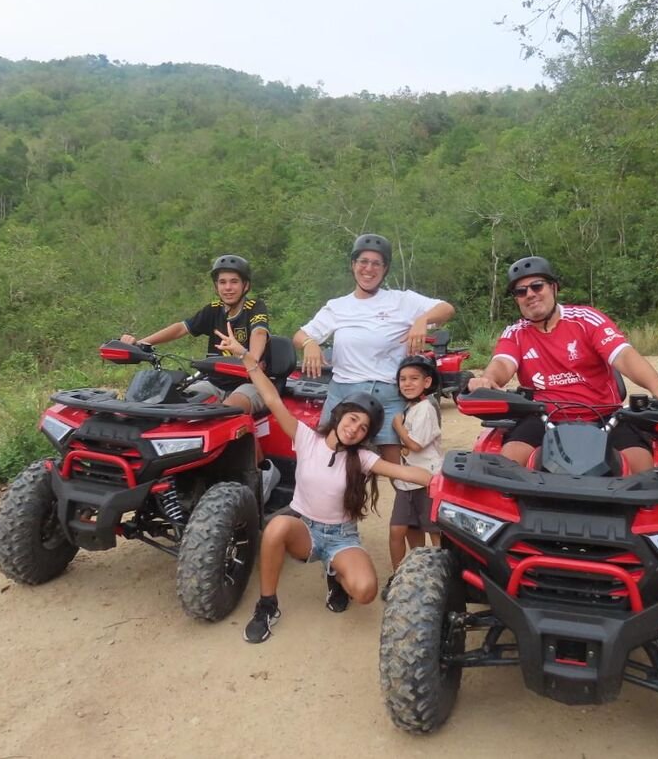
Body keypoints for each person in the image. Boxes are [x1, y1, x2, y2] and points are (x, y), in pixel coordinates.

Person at [214, 324, 432, 644]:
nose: (355, 429)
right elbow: (272, 398)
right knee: (276, 528)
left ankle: (335, 573)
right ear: (341, 414)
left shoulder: (364, 459)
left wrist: (440, 478)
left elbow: (408, 473)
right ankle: (267, 605)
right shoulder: (307, 439)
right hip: (306, 531)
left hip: (342, 536)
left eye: (363, 428)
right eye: (353, 419)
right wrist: (244, 355)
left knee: (366, 591)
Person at [466, 256, 658, 475]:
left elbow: (623, 356)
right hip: (542, 415)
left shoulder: (586, 319)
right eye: (520, 291)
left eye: (537, 286)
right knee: (508, 463)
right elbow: (502, 363)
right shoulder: (515, 333)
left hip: (605, 415)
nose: (530, 294)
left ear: (553, 288)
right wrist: (488, 379)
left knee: (641, 466)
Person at [293, 233, 455, 469]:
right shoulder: (337, 306)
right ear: (353, 265)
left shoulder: (402, 300)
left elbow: (446, 308)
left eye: (376, 263)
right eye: (363, 262)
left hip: (387, 394)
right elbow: (300, 335)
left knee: (396, 470)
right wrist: (309, 344)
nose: (369, 269)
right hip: (343, 394)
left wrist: (423, 319)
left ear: (385, 269)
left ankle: (401, 506)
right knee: (327, 463)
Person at [120, 254, 268, 414]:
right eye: (222, 282)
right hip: (213, 383)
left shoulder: (255, 307)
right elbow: (181, 328)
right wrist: (141, 344)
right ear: (216, 286)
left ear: (245, 285)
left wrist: (252, 360)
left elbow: (259, 332)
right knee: (177, 405)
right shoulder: (213, 309)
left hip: (251, 384)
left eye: (234, 282)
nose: (228, 288)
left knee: (228, 412)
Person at [385, 353, 443, 599]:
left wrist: (398, 427)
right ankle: (400, 577)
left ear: (427, 382)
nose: (407, 383)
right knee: (400, 530)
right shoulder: (410, 408)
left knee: (434, 531)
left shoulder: (426, 408)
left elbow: (416, 445)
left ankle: (441, 576)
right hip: (406, 481)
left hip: (427, 480)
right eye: (402, 379)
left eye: (414, 378)